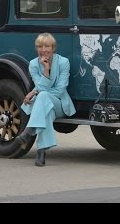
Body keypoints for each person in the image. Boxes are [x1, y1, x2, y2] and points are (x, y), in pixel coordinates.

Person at [16, 32, 76, 166]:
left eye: (47, 46)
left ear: (53, 48)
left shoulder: (63, 62)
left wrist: (34, 92)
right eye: (40, 46)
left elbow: (60, 90)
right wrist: (46, 70)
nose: (43, 50)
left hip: (60, 104)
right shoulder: (33, 64)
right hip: (46, 105)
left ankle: (29, 131)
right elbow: (40, 86)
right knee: (46, 112)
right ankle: (41, 152)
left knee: (42, 96)